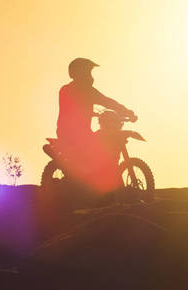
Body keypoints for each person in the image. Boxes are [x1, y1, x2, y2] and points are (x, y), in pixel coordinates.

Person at [56, 58, 135, 191]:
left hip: (82, 132)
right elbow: (69, 109)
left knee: (101, 144)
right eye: (86, 72)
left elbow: (106, 101)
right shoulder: (69, 90)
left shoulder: (87, 91)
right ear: (77, 73)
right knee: (98, 149)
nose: (89, 75)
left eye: (89, 72)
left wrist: (125, 111)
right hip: (69, 133)